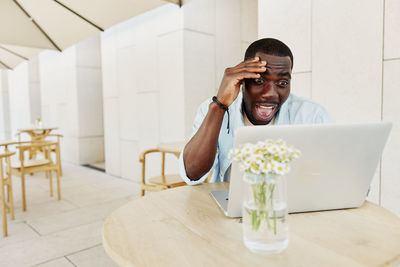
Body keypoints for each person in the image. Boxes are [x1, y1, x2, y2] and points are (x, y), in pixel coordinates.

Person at [179, 38, 331, 185]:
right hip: (233, 207)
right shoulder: (212, 109)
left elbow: (329, 174)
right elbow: (192, 173)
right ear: (242, 80)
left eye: (282, 83)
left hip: (291, 207)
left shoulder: (313, 115)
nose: (270, 93)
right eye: (259, 81)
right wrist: (219, 105)